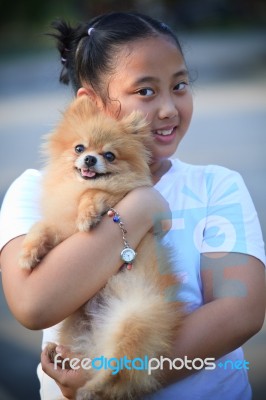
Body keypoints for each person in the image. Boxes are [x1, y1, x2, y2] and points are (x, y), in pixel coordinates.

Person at [0, 11, 265, 400]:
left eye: (180, 86)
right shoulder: (33, 190)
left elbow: (241, 313)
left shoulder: (216, 186)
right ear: (91, 104)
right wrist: (140, 207)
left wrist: (122, 374)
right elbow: (35, 305)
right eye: (145, 91)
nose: (168, 108)